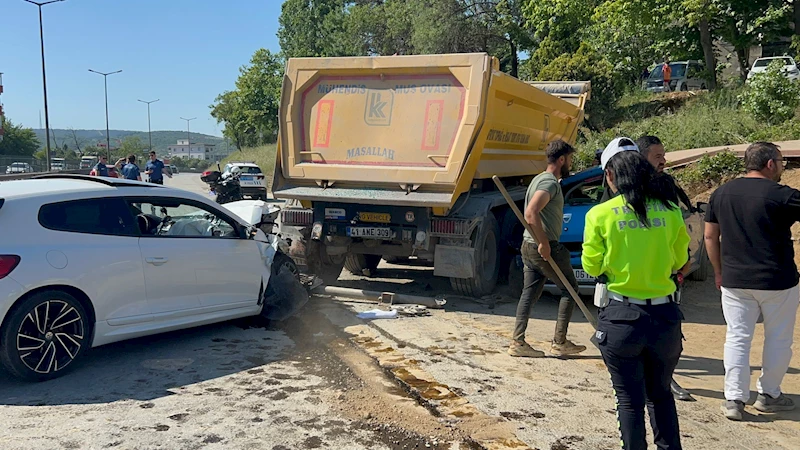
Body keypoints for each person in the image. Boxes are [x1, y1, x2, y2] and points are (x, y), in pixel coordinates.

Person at [584, 148, 690, 450]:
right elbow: (679, 259)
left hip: (622, 318)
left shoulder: (600, 214)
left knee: (629, 401)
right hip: (665, 319)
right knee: (660, 395)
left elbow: (592, 265)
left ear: (609, 176)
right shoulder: (670, 210)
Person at [704, 141, 799, 421]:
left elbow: (711, 237)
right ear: (770, 164)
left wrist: (719, 272)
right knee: (779, 339)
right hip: (777, 281)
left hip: (735, 281)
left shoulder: (721, 194)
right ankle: (769, 395)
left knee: (737, 338)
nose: (783, 168)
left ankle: (734, 399)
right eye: (782, 162)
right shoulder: (783, 195)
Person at [509, 139, 587, 358]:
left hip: (528, 245)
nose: (570, 163)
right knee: (570, 290)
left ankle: (518, 342)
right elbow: (531, 213)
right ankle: (559, 342)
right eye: (570, 159)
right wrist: (544, 242)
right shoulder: (550, 183)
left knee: (529, 293)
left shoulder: (539, 179)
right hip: (543, 246)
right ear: (561, 159)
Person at [636, 136, 694, 211]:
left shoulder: (667, 181)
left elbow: (686, 211)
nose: (663, 161)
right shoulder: (633, 186)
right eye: (658, 157)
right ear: (641, 158)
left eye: (663, 156)